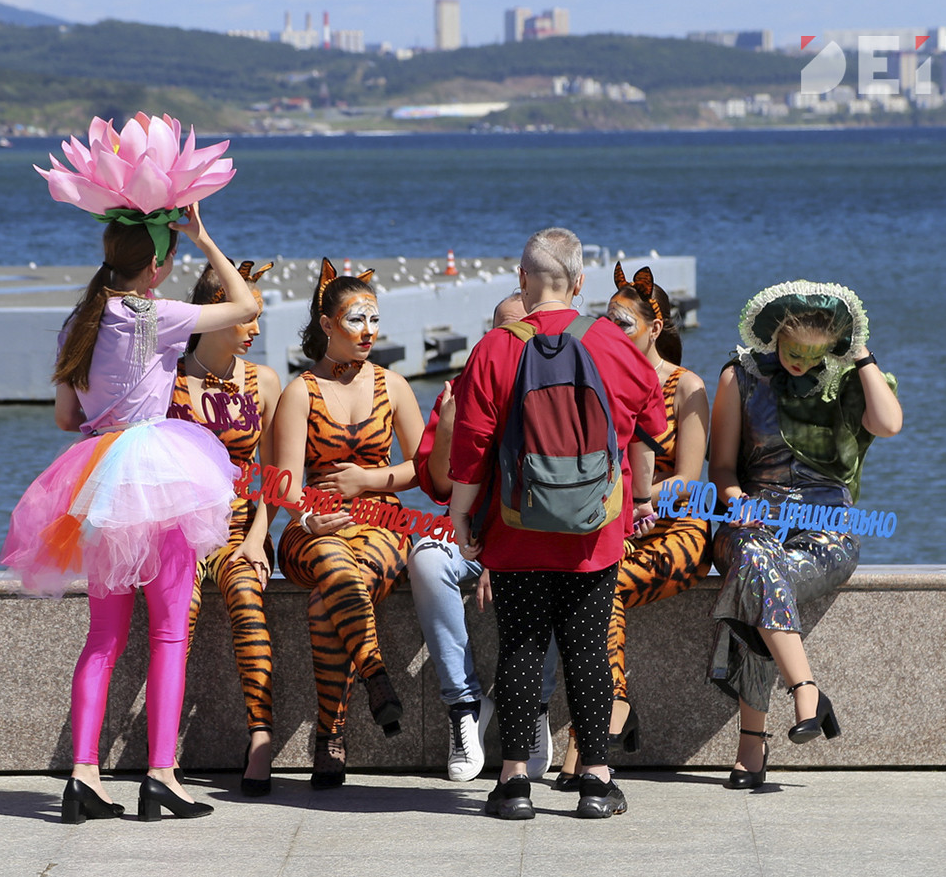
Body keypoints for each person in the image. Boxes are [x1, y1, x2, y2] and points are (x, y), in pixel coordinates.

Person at [1, 203, 259, 823]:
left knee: (103, 639)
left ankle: (83, 777)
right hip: (157, 470)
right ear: (156, 267)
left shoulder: (80, 319)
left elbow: (68, 419)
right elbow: (246, 306)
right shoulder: (157, 314)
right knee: (169, 633)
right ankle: (161, 777)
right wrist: (204, 238)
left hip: (98, 478)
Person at [447, 227, 666, 820]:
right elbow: (652, 425)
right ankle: (596, 782)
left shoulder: (496, 347)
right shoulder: (612, 343)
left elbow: (470, 447)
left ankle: (514, 783)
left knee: (518, 646)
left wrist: (461, 515)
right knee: (588, 648)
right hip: (595, 527)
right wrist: (640, 494)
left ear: (521, 280)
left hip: (515, 525)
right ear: (580, 282)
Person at [707, 280, 901, 789]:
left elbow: (889, 423)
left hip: (829, 527)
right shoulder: (741, 376)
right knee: (755, 558)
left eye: (813, 353)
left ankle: (753, 742)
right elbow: (721, 468)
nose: (799, 361)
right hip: (751, 519)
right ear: (775, 336)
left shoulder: (847, 379)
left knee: (759, 578)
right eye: (792, 350)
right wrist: (736, 500)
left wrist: (861, 354)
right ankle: (806, 689)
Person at [552, 265, 713, 790]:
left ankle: (594, 726)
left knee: (606, 587)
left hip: (676, 529)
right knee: (596, 588)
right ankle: (608, 710)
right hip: (618, 524)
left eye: (624, 323)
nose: (611, 331)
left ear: (654, 326)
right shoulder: (596, 377)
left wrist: (642, 506)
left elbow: (688, 478)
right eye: (608, 320)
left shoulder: (686, 386)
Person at [273, 259, 425, 789]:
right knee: (336, 565)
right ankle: (376, 673)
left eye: (374, 320)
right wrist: (309, 517)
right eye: (356, 320)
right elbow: (285, 482)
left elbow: (423, 467)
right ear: (327, 324)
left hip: (380, 521)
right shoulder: (300, 392)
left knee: (331, 595)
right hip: (312, 530)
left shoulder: (394, 385)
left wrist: (368, 481)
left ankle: (329, 733)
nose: (368, 331)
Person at [406, 292, 559, 783]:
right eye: (504, 330)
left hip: (531, 536)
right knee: (426, 559)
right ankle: (465, 708)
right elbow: (439, 487)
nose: (513, 339)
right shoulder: (458, 387)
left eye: (523, 329)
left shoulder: (553, 391)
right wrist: (449, 427)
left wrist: (499, 554)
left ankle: (534, 705)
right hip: (468, 534)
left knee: (562, 565)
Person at [170, 260, 282, 797]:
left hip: (242, 526)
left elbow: (279, 474)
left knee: (246, 591)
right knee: (180, 608)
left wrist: (259, 538)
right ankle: (163, 749)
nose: (256, 329)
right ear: (217, 312)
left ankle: (260, 735)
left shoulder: (264, 381)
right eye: (247, 317)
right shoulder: (169, 378)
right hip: (180, 529)